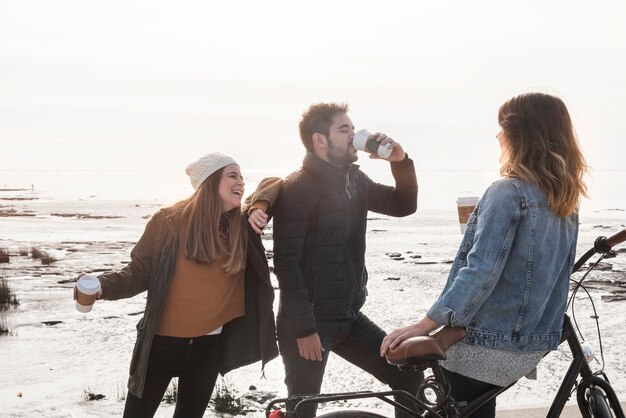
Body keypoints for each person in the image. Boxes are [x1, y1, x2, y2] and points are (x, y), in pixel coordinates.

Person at [381, 92, 589, 418]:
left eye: (502, 127)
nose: (497, 135)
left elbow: (480, 270)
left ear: (521, 133)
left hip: (486, 346)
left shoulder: (507, 191)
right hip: (533, 344)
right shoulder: (565, 200)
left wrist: (425, 324)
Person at [74, 152, 280, 418]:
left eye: (242, 177)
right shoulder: (169, 221)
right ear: (209, 181)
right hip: (160, 345)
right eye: (232, 176)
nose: (241, 182)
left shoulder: (242, 224)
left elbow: (275, 183)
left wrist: (259, 206)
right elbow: (139, 272)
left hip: (210, 347)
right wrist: (102, 286)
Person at [271, 102, 423, 418]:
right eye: (345, 130)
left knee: (408, 375)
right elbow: (287, 263)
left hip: (349, 317)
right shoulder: (297, 188)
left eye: (353, 129)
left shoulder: (355, 181)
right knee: (302, 407)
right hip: (310, 323)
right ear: (320, 140)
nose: (354, 136)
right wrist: (304, 330)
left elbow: (403, 205)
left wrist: (401, 162)